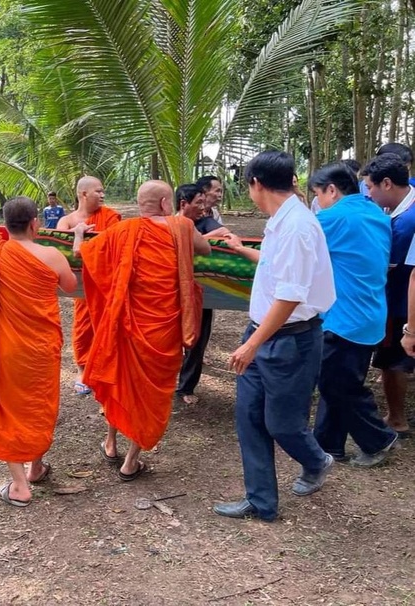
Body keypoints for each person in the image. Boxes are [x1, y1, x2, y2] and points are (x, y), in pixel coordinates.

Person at [214, 151, 336, 522]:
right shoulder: (280, 221)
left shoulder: (298, 225)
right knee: (249, 418)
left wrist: (251, 344)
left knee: (282, 423)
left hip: (290, 339)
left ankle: (316, 460)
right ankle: (261, 502)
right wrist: (240, 248)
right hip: (263, 332)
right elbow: (273, 264)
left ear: (255, 183)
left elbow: (291, 294)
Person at [71, 180, 210, 481]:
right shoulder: (182, 226)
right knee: (150, 394)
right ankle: (130, 462)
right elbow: (206, 248)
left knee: (119, 379)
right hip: (163, 330)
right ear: (163, 204)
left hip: (128, 326)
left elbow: (85, 255)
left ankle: (110, 443)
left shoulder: (123, 231)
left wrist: (80, 235)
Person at [0, 197, 77, 507]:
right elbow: (71, 286)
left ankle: (21, 483)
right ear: (36, 223)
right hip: (40, 350)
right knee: (38, 405)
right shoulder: (51, 255)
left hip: (5, 350)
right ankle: (34, 469)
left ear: (5, 226)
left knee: (6, 411)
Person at [309, 162, 398, 467]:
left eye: (318, 194)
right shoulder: (375, 212)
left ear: (331, 190)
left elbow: (294, 247)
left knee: (337, 384)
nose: (318, 200)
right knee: (342, 380)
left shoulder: (333, 217)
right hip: (371, 312)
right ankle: (328, 445)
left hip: (344, 318)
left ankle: (379, 439)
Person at [361, 153, 415, 437]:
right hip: (400, 299)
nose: (368, 194)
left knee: (393, 361)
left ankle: (396, 419)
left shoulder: (405, 223)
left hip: (401, 303)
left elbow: (389, 267)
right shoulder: (403, 208)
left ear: (387, 183)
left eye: (370, 187)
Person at [57, 176, 121, 394]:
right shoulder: (67, 220)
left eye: (103, 191)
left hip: (106, 281)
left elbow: (114, 245)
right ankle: (82, 370)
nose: (103, 195)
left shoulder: (111, 217)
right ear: (83, 194)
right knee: (83, 327)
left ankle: (106, 368)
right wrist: (77, 235)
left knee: (109, 325)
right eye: (98, 191)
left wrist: (82, 241)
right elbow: (62, 249)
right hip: (82, 286)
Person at [174, 184, 229, 405]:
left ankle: (186, 386)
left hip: (202, 292)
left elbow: (224, 233)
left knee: (197, 339)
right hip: (172, 289)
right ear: (183, 204)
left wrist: (195, 237)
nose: (203, 207)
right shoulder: (167, 222)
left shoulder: (206, 223)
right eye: (198, 202)